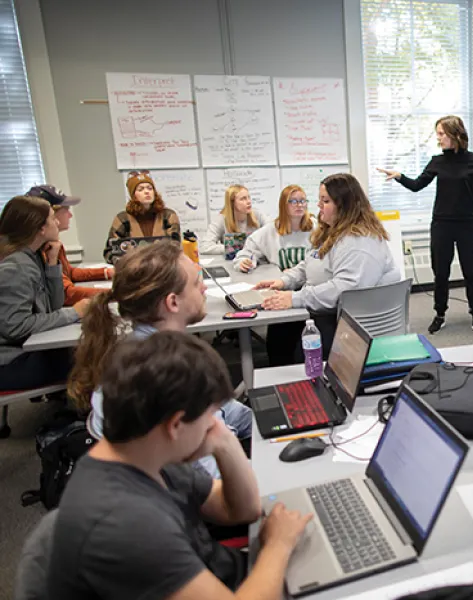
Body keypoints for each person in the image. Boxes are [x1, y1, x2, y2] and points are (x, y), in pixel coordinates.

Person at [47, 331, 313, 600]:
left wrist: (223, 442)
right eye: (209, 416)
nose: (213, 424)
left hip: (222, 574)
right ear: (175, 425)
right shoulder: (124, 520)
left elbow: (243, 509)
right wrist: (278, 545)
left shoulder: (147, 457)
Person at [67, 241, 252, 477]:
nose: (204, 288)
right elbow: (215, 482)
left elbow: (225, 411)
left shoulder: (138, 351)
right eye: (197, 283)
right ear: (172, 302)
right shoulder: (167, 376)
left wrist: (275, 423)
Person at [378, 115, 473, 337]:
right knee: (440, 273)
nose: (438, 138)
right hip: (442, 224)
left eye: (441, 134)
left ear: (454, 134)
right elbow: (416, 185)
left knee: (472, 272)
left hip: (468, 225)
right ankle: (440, 314)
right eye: (438, 134)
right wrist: (399, 176)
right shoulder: (437, 162)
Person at [255, 173, 401, 366]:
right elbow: (310, 263)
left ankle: (301, 384)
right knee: (279, 329)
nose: (318, 206)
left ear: (344, 205)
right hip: (325, 308)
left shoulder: (358, 242)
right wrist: (284, 281)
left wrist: (295, 298)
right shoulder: (333, 231)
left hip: (346, 321)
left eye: (325, 201)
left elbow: (343, 289)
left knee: (296, 347)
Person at [0, 196, 88, 390]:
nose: (57, 221)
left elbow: (53, 306)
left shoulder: (32, 257)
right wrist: (74, 313)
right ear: (40, 228)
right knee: (91, 359)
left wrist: (52, 263)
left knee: (87, 352)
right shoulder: (15, 266)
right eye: (51, 218)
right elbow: (16, 327)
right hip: (10, 363)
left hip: (22, 352)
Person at [26, 184, 114, 305]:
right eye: (66, 210)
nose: (70, 215)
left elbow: (69, 273)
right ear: (49, 214)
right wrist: (114, 294)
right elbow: (66, 294)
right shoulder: (36, 251)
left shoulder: (53, 244)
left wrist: (107, 272)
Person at [103, 170, 181, 263]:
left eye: (150, 188)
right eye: (141, 189)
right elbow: (110, 251)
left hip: (163, 266)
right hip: (134, 268)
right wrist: (120, 262)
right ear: (133, 195)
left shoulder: (168, 215)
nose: (147, 192)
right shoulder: (122, 218)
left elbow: (175, 246)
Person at [233, 184, 313, 272]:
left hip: (311, 283)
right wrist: (243, 261)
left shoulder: (316, 228)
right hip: (281, 282)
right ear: (284, 205)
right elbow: (247, 251)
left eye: (303, 201)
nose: (299, 205)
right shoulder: (271, 230)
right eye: (293, 201)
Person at [200, 184, 268, 255]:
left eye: (248, 197)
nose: (249, 202)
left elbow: (273, 234)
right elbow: (205, 247)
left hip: (256, 259)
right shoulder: (221, 219)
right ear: (232, 203)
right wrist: (233, 248)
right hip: (233, 261)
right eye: (243, 199)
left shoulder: (257, 215)